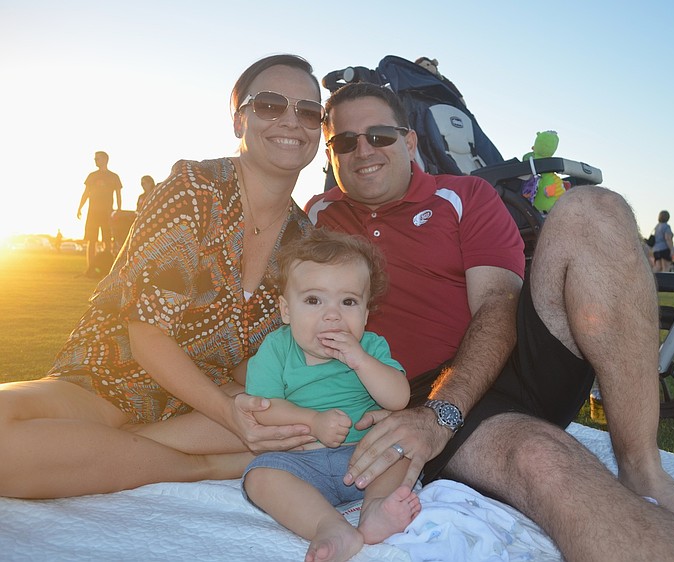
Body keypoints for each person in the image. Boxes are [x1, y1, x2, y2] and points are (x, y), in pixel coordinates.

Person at [306, 82, 674, 560]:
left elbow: (499, 301)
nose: (363, 150)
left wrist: (444, 414)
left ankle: (642, 465)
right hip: (413, 394)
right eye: (345, 142)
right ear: (329, 155)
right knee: (541, 459)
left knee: (593, 207)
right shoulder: (319, 215)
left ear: (410, 142)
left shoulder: (464, 195)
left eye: (380, 135)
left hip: (495, 363)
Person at [0, 54, 325, 500]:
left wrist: (291, 389)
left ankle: (121, 452)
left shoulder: (303, 240)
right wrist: (234, 418)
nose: (291, 121)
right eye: (270, 105)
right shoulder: (194, 188)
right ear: (238, 121)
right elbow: (147, 334)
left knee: (313, 415)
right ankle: (206, 467)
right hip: (108, 380)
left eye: (309, 112)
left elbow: (253, 357)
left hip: (199, 408)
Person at [242, 228, 420, 562]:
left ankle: (375, 511)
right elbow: (263, 409)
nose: (332, 314)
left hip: (364, 453)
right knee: (260, 476)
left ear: (366, 315)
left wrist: (361, 361)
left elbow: (398, 399)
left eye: (348, 302)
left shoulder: (370, 347)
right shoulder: (277, 348)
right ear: (286, 310)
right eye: (313, 300)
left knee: (402, 453)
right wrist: (312, 421)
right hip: (301, 462)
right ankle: (329, 526)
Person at [77, 151, 123, 277]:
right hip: (92, 212)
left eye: (98, 158)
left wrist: (118, 210)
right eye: (95, 158)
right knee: (91, 241)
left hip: (107, 212)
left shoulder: (114, 176)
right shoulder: (92, 176)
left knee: (107, 241)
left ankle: (106, 268)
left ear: (105, 160)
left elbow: (118, 194)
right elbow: (86, 193)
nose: (95, 160)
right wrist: (80, 207)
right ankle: (90, 269)